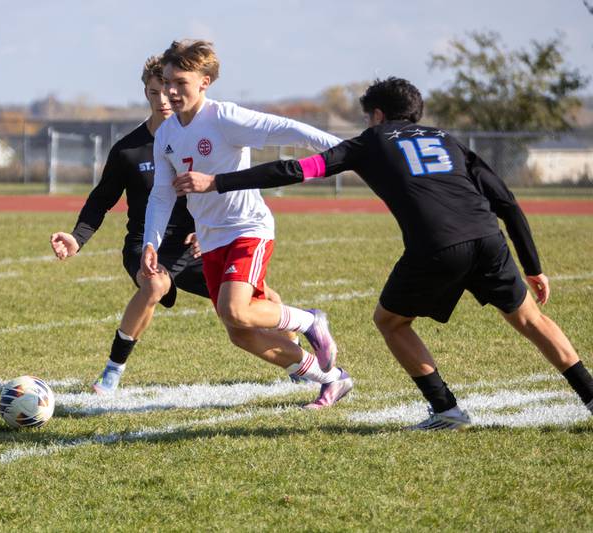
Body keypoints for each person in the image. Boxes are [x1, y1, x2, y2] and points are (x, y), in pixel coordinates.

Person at [173, 76, 593, 428]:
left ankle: (445, 408)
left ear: (376, 115)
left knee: (390, 322)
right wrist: (534, 266)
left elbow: (295, 170)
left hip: (435, 245)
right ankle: (590, 396)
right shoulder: (448, 140)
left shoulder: (370, 141)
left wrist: (218, 182)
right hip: (487, 237)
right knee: (530, 319)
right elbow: (506, 201)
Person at [50, 55, 303, 393]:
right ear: (146, 93)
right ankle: (112, 370)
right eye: (156, 92)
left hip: (197, 241)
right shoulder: (129, 150)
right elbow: (101, 199)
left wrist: (207, 230)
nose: (165, 99)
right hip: (147, 243)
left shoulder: (197, 136)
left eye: (170, 89)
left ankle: (299, 359)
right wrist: (77, 238)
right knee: (154, 285)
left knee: (260, 298)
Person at [141, 40, 353, 409]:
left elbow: (289, 129)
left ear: (205, 82)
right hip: (210, 238)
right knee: (239, 331)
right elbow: (161, 195)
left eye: (181, 83)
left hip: (246, 229)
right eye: (168, 82)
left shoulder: (224, 118)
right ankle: (333, 379)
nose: (171, 92)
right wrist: (151, 243)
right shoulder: (166, 135)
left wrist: (354, 153)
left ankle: (311, 321)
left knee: (237, 311)